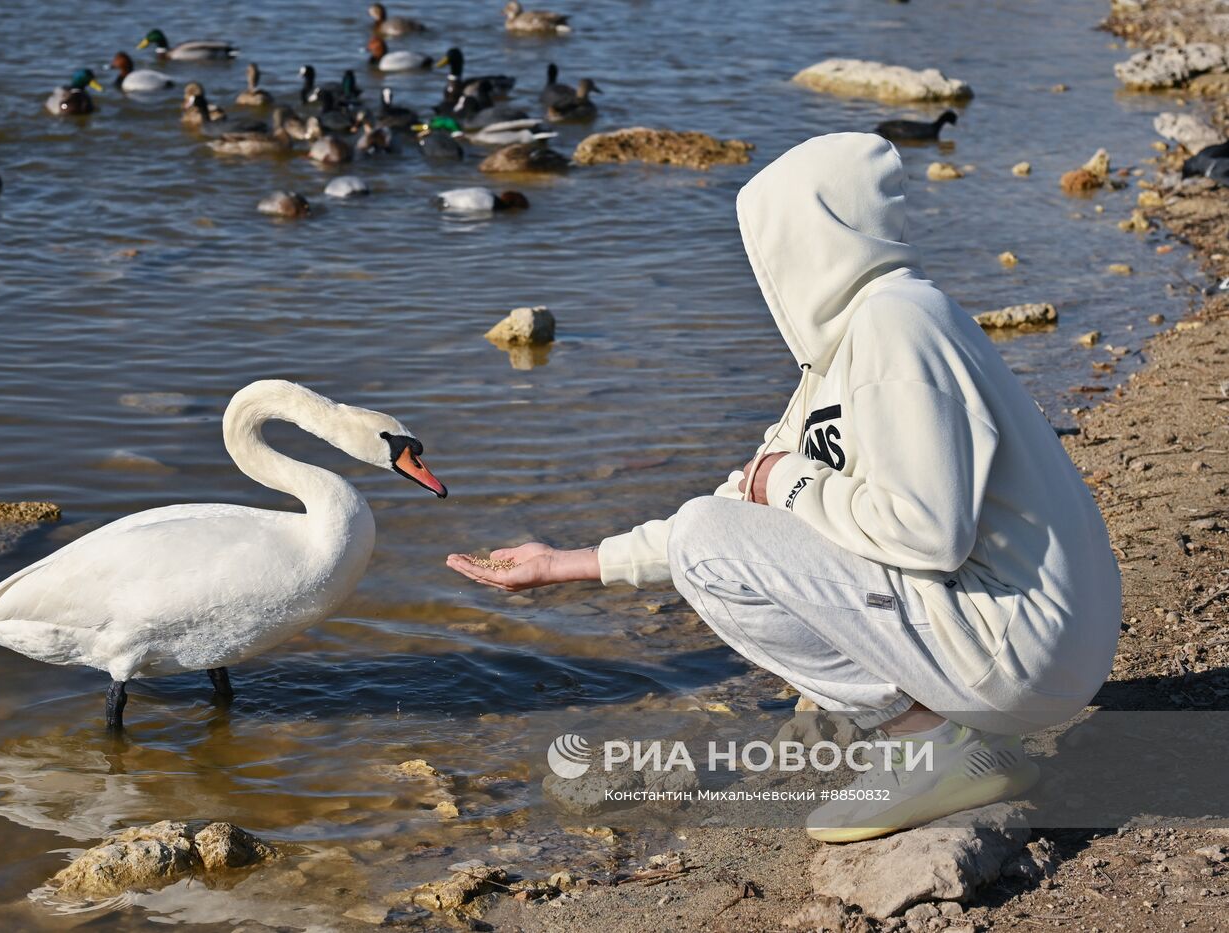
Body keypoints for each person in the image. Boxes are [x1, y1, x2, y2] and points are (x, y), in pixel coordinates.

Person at [448, 132, 1122, 842]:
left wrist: (793, 482)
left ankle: (931, 744)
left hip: (1022, 645)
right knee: (713, 534)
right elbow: (740, 505)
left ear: (813, 234)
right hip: (1026, 640)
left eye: (770, 241)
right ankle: (946, 739)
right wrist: (570, 563)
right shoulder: (837, 358)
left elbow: (926, 531)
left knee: (713, 542)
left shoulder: (899, 323)